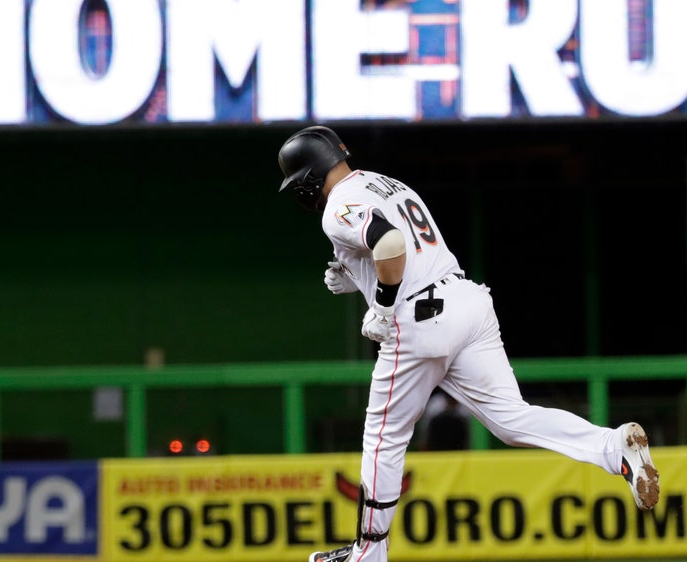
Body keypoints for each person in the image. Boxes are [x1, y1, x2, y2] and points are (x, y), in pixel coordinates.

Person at [277, 125, 660, 562]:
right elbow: (400, 247)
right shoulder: (385, 182)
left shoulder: (338, 206)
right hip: (467, 301)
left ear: (308, 176)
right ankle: (614, 448)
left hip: (421, 318)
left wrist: (381, 306)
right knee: (512, 420)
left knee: (383, 439)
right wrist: (355, 277)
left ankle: (369, 552)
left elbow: (389, 242)